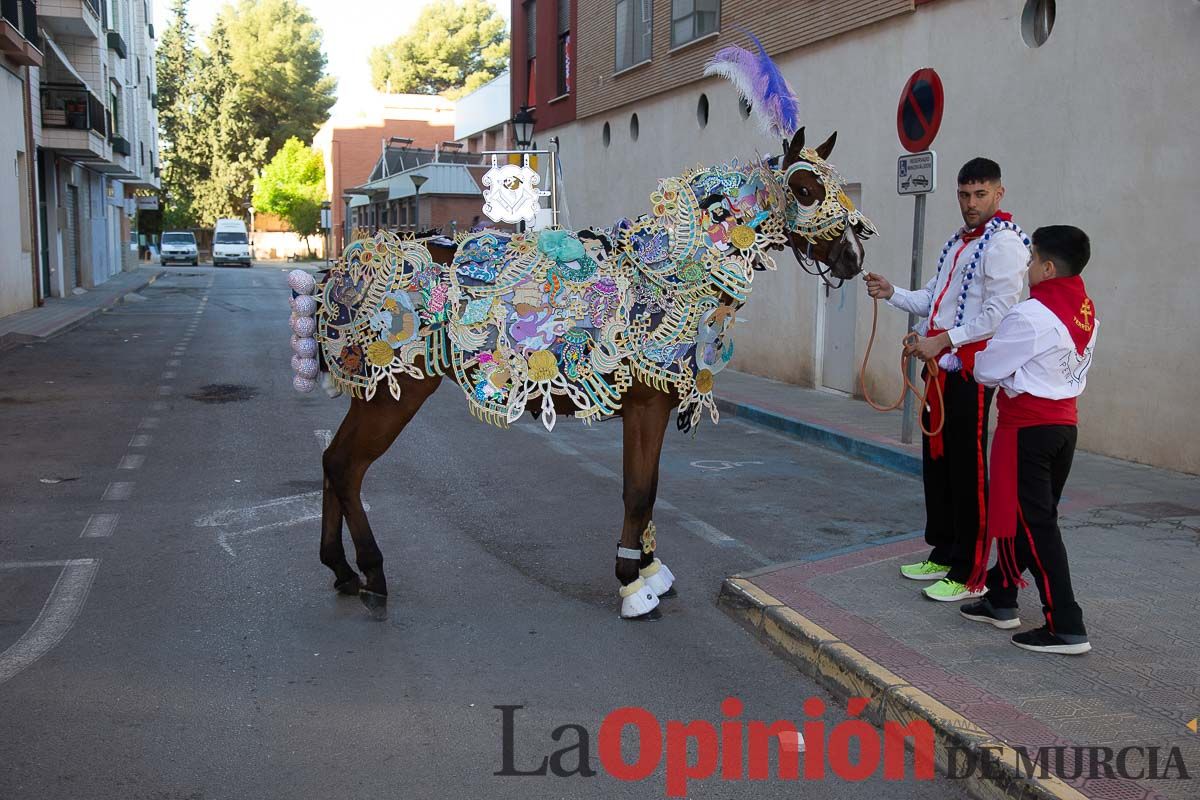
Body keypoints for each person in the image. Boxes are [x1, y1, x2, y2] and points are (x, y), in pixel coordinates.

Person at [865, 158, 1028, 602]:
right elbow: (933, 297)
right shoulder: (959, 242)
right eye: (963, 195)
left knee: (968, 469)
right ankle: (944, 550)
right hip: (940, 370)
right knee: (938, 466)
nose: (970, 203)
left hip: (970, 373)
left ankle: (971, 570)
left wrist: (943, 342)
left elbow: (999, 314)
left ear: (999, 193)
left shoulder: (1005, 245)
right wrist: (892, 292)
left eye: (979, 194)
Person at [959, 226, 1096, 655]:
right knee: (1027, 520)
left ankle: (1066, 624)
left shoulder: (1029, 315)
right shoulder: (1086, 311)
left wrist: (1005, 368)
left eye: (1032, 257)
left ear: (1049, 267)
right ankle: (1002, 596)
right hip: (1062, 428)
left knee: (1039, 528)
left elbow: (986, 370)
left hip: (1029, 432)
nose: (1028, 265)